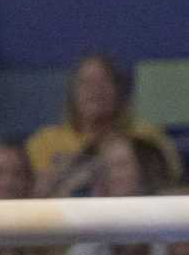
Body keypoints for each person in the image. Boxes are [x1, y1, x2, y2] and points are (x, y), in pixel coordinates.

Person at [27, 53, 180, 197]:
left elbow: (172, 189)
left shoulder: (147, 138)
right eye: (85, 82)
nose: (95, 90)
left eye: (104, 81)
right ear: (71, 94)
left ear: (119, 90)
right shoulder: (43, 142)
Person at [56, 132, 170, 255]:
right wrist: (99, 217)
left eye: (121, 165)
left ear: (146, 168)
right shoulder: (97, 216)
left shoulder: (171, 212)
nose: (111, 174)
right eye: (106, 167)